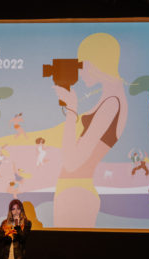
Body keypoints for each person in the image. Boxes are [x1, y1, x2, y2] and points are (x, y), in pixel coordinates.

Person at [52, 32, 128, 228]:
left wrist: (72, 108)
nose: (80, 71)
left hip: (76, 192)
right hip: (75, 190)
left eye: (82, 64)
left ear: (95, 63)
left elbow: (72, 162)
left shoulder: (112, 103)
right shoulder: (111, 98)